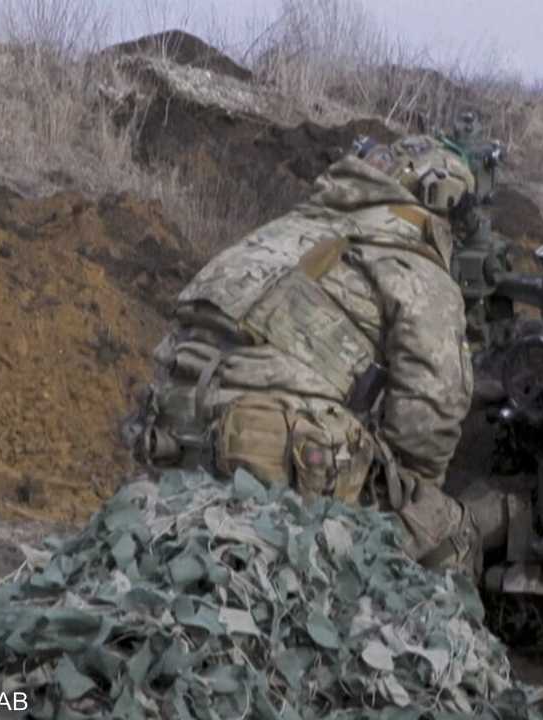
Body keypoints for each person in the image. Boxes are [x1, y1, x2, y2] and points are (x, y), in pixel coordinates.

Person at [127, 131, 505, 580]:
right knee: (446, 530)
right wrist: (410, 490)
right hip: (273, 467)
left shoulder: (279, 233)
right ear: (442, 206)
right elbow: (429, 414)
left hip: (171, 449)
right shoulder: (408, 259)